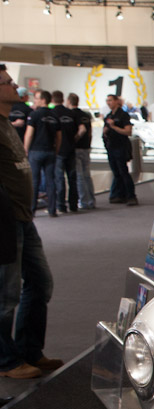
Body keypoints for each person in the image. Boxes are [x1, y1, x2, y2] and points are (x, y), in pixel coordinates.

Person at [0, 64, 62, 379]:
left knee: (40, 283)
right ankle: (6, 361)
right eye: (8, 83)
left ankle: (28, 351)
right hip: (6, 224)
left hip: (24, 220)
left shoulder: (6, 124)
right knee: (5, 293)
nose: (15, 86)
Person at [23, 89, 61, 218]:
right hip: (50, 151)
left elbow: (29, 134)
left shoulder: (35, 115)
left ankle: (32, 210)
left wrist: (25, 149)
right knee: (51, 181)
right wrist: (56, 150)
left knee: (34, 181)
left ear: (43, 100)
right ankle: (52, 209)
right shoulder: (55, 116)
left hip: (36, 151)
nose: (35, 101)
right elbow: (58, 136)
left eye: (37, 98)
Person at [102, 93, 137, 205]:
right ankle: (119, 195)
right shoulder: (108, 116)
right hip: (111, 147)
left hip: (121, 147)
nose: (108, 102)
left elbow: (128, 131)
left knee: (123, 172)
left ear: (117, 101)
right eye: (107, 100)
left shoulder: (123, 115)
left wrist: (114, 127)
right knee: (116, 172)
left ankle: (131, 196)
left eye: (110, 100)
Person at [51, 90, 78, 214]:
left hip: (59, 150)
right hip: (71, 149)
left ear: (52, 99)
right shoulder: (71, 114)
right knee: (72, 178)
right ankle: (73, 205)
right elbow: (78, 131)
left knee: (59, 178)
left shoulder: (53, 114)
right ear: (63, 99)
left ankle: (61, 205)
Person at [67, 93, 95, 210]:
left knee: (79, 175)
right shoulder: (86, 115)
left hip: (77, 148)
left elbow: (82, 130)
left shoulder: (71, 115)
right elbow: (89, 131)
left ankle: (83, 201)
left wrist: (75, 139)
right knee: (87, 174)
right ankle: (91, 201)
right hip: (86, 147)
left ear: (69, 101)